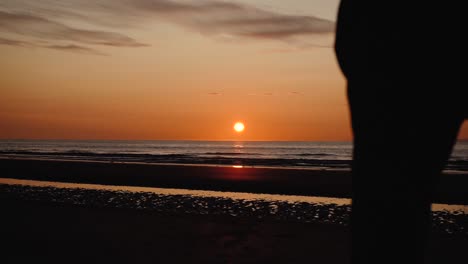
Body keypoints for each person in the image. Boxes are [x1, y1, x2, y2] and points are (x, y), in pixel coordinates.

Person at [334, 1, 467, 263]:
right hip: (390, 85)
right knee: (395, 201)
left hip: (397, 84)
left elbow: (349, 37)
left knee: (390, 201)